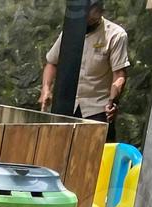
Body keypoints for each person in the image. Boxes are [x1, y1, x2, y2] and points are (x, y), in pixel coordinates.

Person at [39, 1, 129, 141]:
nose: (87, 22)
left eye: (91, 18)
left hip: (97, 110)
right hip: (67, 107)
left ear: (99, 13)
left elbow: (119, 75)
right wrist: (46, 89)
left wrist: (112, 101)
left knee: (95, 159)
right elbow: (52, 62)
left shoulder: (116, 35)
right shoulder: (70, 31)